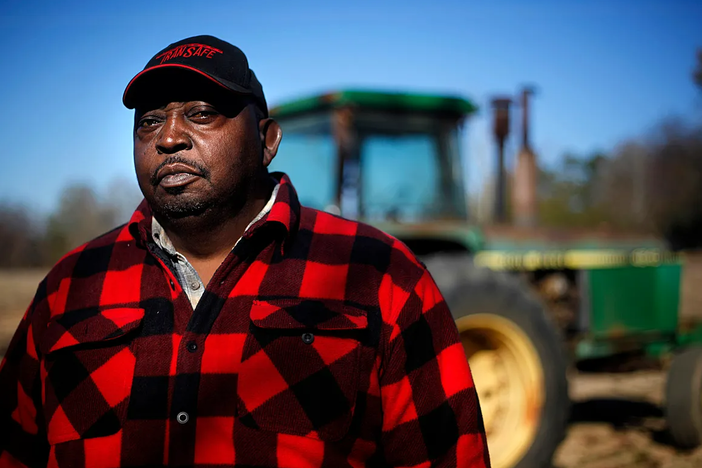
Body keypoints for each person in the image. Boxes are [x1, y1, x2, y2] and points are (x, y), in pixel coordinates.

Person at [0, 35, 490, 468]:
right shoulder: (69, 289)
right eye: (149, 121)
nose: (168, 137)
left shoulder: (381, 275)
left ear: (267, 140)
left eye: (201, 114)